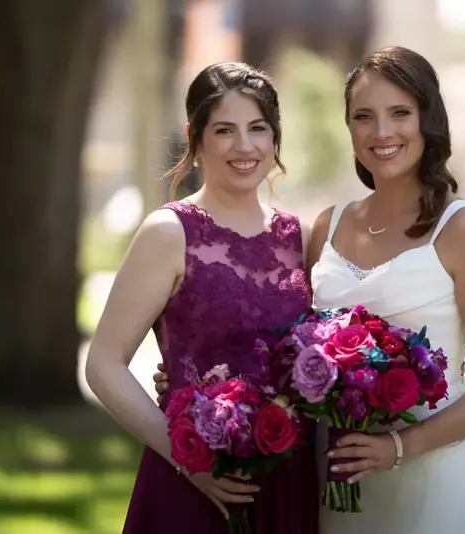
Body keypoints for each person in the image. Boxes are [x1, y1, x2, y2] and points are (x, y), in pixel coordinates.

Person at [154, 46, 465, 534]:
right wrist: (196, 378)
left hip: (433, 481)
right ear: (349, 128)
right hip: (335, 483)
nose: (381, 132)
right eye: (363, 117)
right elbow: (286, 345)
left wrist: (399, 447)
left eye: (400, 113)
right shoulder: (327, 228)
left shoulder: (462, 229)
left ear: (428, 119)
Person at [85, 61, 319, 534]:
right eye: (225, 130)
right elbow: (103, 364)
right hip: (191, 481)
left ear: (275, 137)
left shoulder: (302, 237)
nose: (244, 145)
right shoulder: (168, 233)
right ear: (196, 137)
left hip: (288, 483)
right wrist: (186, 459)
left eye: (258, 128)